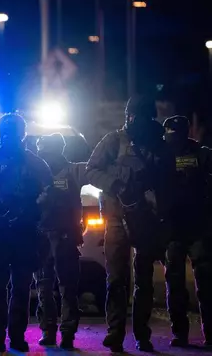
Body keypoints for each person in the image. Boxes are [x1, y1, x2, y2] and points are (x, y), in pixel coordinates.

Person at [85, 96, 175, 352]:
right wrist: (117, 185)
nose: (134, 122)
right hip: (117, 217)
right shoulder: (114, 141)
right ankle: (115, 331)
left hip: (146, 218)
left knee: (143, 280)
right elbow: (92, 170)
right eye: (132, 117)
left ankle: (141, 334)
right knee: (116, 278)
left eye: (140, 117)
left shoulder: (158, 145)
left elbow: (167, 179)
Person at [0, 113, 53, 353]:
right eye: (5, 132)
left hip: (25, 233)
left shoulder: (35, 163)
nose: (9, 137)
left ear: (22, 134)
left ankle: (17, 336)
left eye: (13, 132)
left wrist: (39, 202)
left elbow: (50, 191)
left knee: (22, 288)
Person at [162, 115, 212, 347]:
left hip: (197, 226)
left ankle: (207, 333)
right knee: (175, 283)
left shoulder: (202, 154)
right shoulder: (161, 155)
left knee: (205, 282)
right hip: (173, 228)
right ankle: (179, 333)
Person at [34, 133, 88, 350]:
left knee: (67, 287)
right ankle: (48, 331)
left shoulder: (72, 171)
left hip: (64, 236)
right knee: (44, 286)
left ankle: (67, 333)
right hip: (42, 236)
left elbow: (78, 204)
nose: (43, 155)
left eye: (46, 150)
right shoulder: (38, 173)